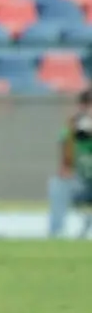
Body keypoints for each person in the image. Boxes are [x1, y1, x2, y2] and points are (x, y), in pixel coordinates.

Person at [47, 89, 92, 238]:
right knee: (58, 183)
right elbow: (65, 159)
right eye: (87, 105)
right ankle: (56, 233)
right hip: (82, 184)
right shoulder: (74, 127)